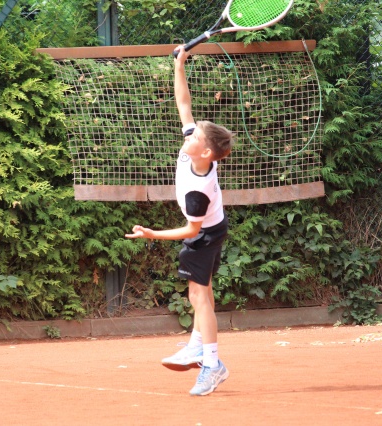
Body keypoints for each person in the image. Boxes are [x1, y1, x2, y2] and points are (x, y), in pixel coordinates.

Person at [125, 45, 234, 396]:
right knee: (203, 292)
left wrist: (152, 234)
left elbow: (191, 229)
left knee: (198, 296)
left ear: (206, 152)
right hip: (214, 227)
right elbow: (184, 105)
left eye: (197, 136)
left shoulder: (198, 192)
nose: (190, 134)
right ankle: (198, 346)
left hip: (205, 234)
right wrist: (179, 65)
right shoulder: (195, 151)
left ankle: (212, 364)